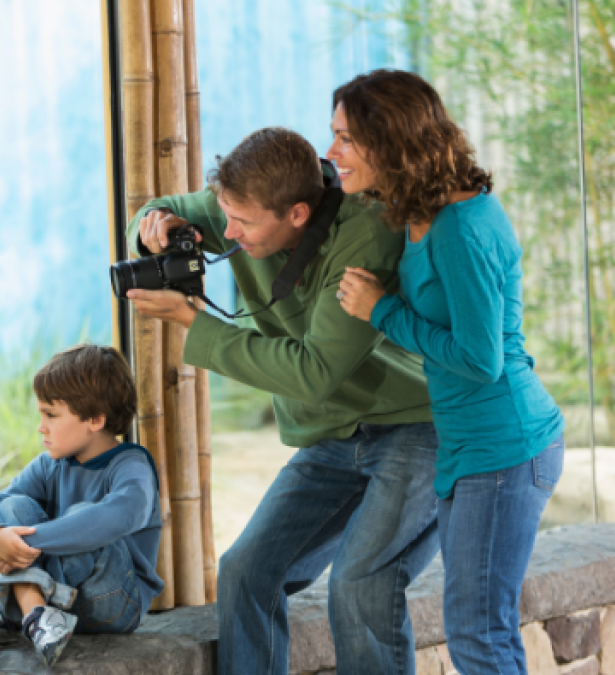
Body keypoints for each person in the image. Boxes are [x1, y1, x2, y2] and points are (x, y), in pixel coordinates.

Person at [125, 127, 439, 675]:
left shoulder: (365, 233)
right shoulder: (243, 201)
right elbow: (162, 208)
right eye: (224, 214)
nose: (226, 232)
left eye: (241, 224)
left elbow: (315, 371)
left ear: (296, 214)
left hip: (414, 426)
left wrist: (193, 324)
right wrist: (154, 228)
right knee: (246, 571)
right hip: (333, 437)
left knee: (359, 584)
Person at [333, 69, 566, 674]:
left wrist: (381, 311)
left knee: (478, 636)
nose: (331, 152)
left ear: (390, 142)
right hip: (469, 448)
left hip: (504, 446)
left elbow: (479, 359)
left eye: (345, 139)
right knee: (480, 630)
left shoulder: (460, 227)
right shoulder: (422, 213)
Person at [0, 344, 163, 668]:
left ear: (96, 419)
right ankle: (35, 615)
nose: (41, 426)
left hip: (114, 604)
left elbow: (120, 515)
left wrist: (23, 544)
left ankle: (15, 610)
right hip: (61, 604)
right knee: (15, 506)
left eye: (51, 415)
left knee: (84, 516)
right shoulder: (50, 465)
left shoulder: (131, 464)